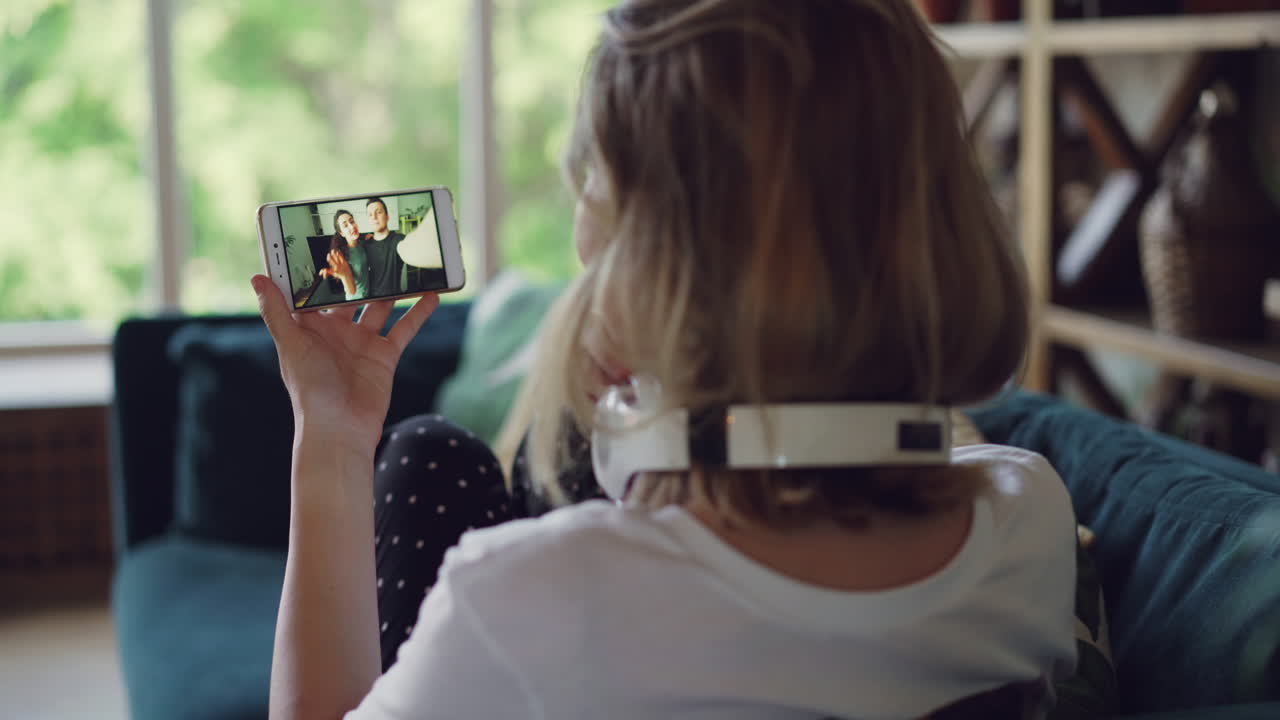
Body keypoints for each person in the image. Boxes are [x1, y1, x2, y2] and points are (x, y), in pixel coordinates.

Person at [251, 1, 1078, 718]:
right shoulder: (1028, 523)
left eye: (590, 188)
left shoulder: (526, 604)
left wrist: (332, 434)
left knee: (431, 458)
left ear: (655, 266)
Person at [318, 209, 371, 302]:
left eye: (352, 221)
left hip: (369, 296)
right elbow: (352, 291)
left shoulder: (362, 244)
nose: (352, 226)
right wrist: (343, 276)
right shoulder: (342, 255)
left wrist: (372, 237)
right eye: (345, 225)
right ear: (341, 233)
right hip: (356, 301)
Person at [363, 197, 407, 298]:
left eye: (378, 212)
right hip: (372, 299)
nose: (374, 217)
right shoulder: (365, 244)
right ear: (368, 220)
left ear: (387, 217)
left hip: (395, 299)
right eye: (370, 215)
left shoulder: (399, 239)